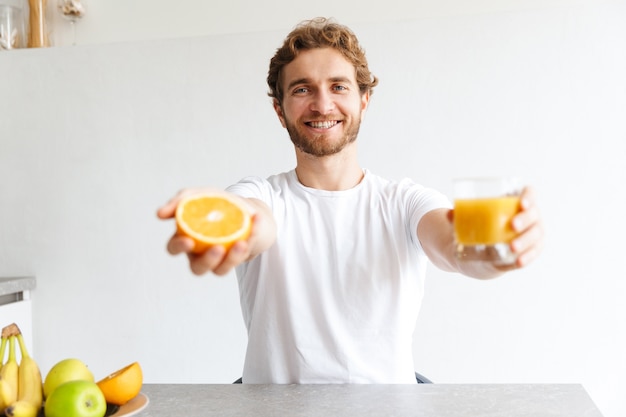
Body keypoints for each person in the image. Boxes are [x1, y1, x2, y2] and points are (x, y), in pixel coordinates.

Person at [157, 17, 543, 384]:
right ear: (280, 109)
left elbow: (453, 245)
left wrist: (492, 251)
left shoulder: (405, 201)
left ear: (364, 99)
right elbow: (253, 220)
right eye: (302, 89)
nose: (322, 105)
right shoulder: (260, 196)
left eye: (338, 86)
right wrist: (234, 226)